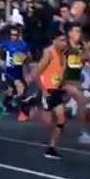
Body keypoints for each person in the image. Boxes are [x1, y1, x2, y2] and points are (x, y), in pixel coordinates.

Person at [32, 31, 68, 159]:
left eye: (65, 40)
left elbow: (60, 74)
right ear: (55, 41)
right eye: (62, 40)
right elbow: (36, 73)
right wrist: (44, 90)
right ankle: (32, 106)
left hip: (56, 90)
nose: (64, 43)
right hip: (47, 90)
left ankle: (51, 148)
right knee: (47, 123)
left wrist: (62, 87)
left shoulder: (63, 55)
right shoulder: (49, 53)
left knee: (61, 119)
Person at [61, 23, 90, 144]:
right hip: (64, 81)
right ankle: (82, 132)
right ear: (70, 33)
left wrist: (86, 53)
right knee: (80, 100)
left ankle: (80, 131)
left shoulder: (82, 46)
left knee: (64, 105)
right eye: (75, 31)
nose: (78, 34)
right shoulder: (65, 46)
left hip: (76, 81)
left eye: (79, 32)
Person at [0, 25, 32, 121]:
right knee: (21, 90)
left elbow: (28, 57)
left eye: (15, 35)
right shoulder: (7, 44)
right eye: (11, 35)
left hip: (19, 69)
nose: (13, 37)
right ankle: (22, 112)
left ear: (19, 35)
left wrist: (27, 66)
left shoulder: (23, 45)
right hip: (10, 69)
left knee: (11, 90)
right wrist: (0, 60)